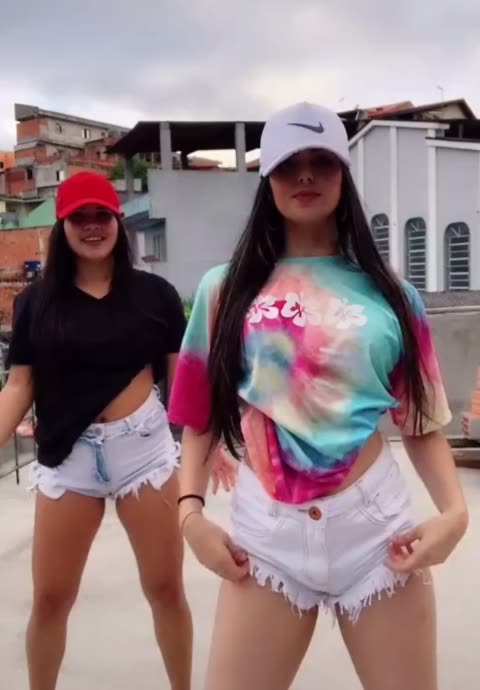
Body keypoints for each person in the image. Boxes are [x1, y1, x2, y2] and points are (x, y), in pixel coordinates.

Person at [167, 102, 469, 690]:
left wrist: (455, 515)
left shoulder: (393, 295)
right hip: (265, 540)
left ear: (342, 174)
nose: (305, 175)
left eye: (321, 161)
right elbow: (198, 416)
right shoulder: (223, 289)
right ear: (267, 179)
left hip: (378, 537)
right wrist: (190, 513)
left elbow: (421, 423)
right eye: (288, 164)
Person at [2, 171, 193, 690]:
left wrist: (208, 444)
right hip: (70, 458)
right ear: (62, 226)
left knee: (165, 588)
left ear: (118, 222)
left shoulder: (156, 295)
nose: (92, 227)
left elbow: (184, 383)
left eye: (101, 215)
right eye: (79, 217)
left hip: (144, 453)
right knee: (51, 598)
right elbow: (18, 386)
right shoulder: (35, 303)